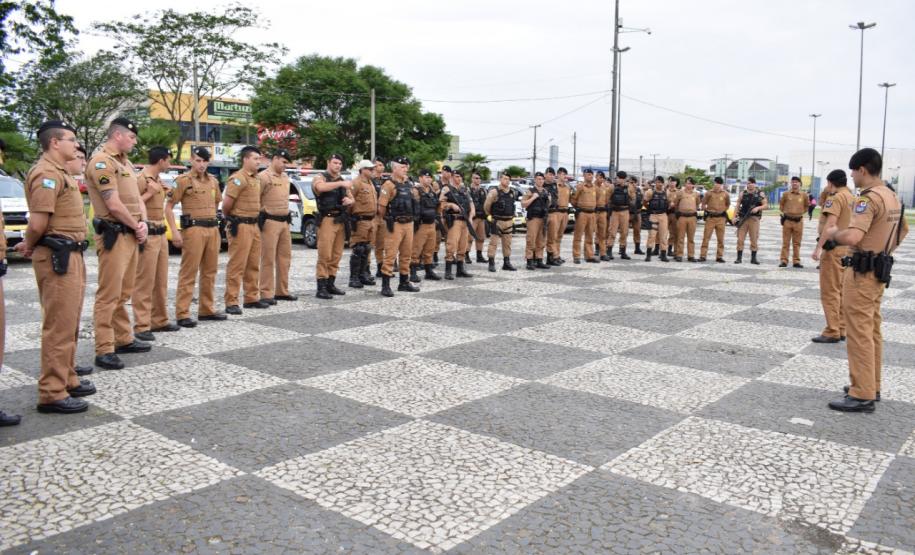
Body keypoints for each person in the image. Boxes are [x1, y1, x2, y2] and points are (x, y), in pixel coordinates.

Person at [16, 120, 95, 413]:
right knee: (58, 326)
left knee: (70, 321)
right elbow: (38, 222)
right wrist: (28, 242)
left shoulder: (61, 172)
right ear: (54, 143)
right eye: (71, 140)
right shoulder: (46, 173)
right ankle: (51, 391)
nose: (76, 145)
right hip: (56, 255)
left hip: (71, 253)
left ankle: (67, 376)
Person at [823, 148, 908, 413]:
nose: (852, 175)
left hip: (862, 273)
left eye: (853, 171)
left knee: (859, 331)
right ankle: (872, 385)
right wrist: (883, 252)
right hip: (880, 269)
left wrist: (835, 234)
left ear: (862, 170)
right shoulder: (891, 195)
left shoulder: (868, 199)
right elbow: (902, 229)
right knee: (871, 330)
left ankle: (862, 393)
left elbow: (854, 237)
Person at [84, 117, 150, 370]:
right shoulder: (102, 162)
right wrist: (136, 226)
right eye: (132, 137)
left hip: (131, 233)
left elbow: (135, 199)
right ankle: (104, 348)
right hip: (114, 234)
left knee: (124, 292)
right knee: (109, 294)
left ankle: (123, 338)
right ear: (118, 136)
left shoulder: (126, 163)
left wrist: (142, 222)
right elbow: (112, 204)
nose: (134, 142)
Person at [166, 147, 227, 327]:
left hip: (212, 229)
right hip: (193, 230)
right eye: (198, 160)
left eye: (205, 161)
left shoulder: (213, 182)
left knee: (210, 271)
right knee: (188, 272)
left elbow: (217, 204)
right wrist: (175, 232)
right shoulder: (183, 181)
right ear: (191, 160)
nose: (201, 164)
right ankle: (182, 312)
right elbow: (168, 207)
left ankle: (206, 309)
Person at [131, 146, 179, 342]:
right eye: (168, 160)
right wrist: (149, 194)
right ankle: (142, 325)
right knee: (144, 281)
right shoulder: (141, 179)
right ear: (161, 160)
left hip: (160, 233)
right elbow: (133, 205)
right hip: (148, 233)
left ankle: (159, 320)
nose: (169, 164)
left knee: (160, 280)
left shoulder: (157, 180)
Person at [811, 169, 854, 344]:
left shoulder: (836, 198)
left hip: (834, 249)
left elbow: (830, 224)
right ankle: (842, 327)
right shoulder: (852, 197)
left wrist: (818, 248)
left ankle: (832, 330)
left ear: (830, 183)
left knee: (830, 291)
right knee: (842, 290)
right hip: (848, 248)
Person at [223, 145, 265, 313]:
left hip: (254, 225)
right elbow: (227, 205)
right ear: (245, 159)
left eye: (259, 159)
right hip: (240, 225)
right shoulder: (238, 178)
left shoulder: (256, 179)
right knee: (237, 264)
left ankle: (251, 297)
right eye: (255, 159)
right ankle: (231, 301)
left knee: (253, 264)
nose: (258, 162)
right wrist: (232, 219)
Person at [258, 149, 297, 303]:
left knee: (284, 258)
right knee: (267, 258)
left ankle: (282, 290)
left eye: (287, 163)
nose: (285, 165)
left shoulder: (286, 178)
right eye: (283, 162)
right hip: (269, 221)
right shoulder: (263, 177)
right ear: (274, 159)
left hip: (284, 222)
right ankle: (266, 293)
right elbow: (256, 199)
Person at [313, 153, 354, 299]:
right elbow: (321, 188)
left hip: (340, 220)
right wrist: (341, 184)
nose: (338, 166)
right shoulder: (321, 177)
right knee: (325, 254)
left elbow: (351, 197)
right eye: (335, 163)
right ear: (328, 162)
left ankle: (331, 283)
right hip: (327, 220)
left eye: (340, 164)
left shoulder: (342, 180)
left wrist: (350, 201)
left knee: (336, 255)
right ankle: (321, 287)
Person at [378, 156, 419, 295]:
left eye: (406, 166)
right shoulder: (388, 185)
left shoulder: (409, 184)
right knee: (390, 254)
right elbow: (381, 207)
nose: (405, 169)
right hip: (395, 224)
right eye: (402, 167)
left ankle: (404, 282)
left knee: (406, 254)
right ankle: (385, 285)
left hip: (409, 223)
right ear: (394, 168)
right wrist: (389, 219)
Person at [348, 159, 379, 288]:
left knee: (366, 249)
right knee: (358, 249)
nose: (373, 171)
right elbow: (350, 201)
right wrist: (352, 217)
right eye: (370, 169)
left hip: (371, 220)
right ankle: (353, 277)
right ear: (363, 170)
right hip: (360, 220)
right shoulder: (356, 183)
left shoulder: (370, 183)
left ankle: (363, 274)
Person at [440, 170, 474, 279]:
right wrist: (450, 204)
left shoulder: (465, 189)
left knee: (463, 246)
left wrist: (471, 217)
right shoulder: (446, 189)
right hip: (454, 220)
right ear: (451, 177)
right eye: (456, 176)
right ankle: (448, 271)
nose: (458, 179)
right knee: (452, 245)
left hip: (465, 221)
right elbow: (440, 204)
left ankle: (460, 270)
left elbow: (471, 204)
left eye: (460, 177)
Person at [410, 168, 442, 281]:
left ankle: (429, 271)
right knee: (416, 249)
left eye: (430, 177)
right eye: (426, 177)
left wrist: (437, 218)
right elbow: (414, 207)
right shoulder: (416, 190)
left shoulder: (432, 191)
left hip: (432, 224)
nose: (428, 179)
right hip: (421, 224)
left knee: (430, 249)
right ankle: (412, 272)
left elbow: (437, 206)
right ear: (420, 178)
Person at [484, 171, 517, 271]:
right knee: (493, 243)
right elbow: (486, 206)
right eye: (504, 178)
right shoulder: (494, 192)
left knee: (507, 244)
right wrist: (492, 216)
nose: (506, 181)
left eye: (508, 179)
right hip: (497, 221)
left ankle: (506, 263)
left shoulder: (512, 192)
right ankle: (491, 263)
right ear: (500, 179)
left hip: (508, 221)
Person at [734, 177, 767, 264]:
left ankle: (753, 258)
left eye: (752, 183)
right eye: (748, 183)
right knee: (740, 239)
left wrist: (758, 208)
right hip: (743, 219)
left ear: (755, 184)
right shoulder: (743, 193)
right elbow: (737, 205)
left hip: (754, 219)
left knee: (754, 239)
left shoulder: (760, 193)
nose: (750, 184)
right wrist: (734, 217)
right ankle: (739, 258)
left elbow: (765, 205)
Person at [522, 172, 551, 270]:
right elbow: (523, 204)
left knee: (541, 241)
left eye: (542, 179)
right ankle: (529, 261)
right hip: (533, 219)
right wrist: (533, 198)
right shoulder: (530, 191)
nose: (540, 181)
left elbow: (548, 205)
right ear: (535, 180)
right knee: (531, 240)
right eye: (538, 179)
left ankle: (539, 260)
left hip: (543, 219)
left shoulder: (546, 191)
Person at [779, 176, 810, 268]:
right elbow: (781, 205)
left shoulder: (804, 195)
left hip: (798, 221)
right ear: (791, 183)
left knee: (797, 243)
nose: (794, 183)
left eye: (796, 182)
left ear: (800, 183)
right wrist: (787, 212)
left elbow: (806, 206)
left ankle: (796, 261)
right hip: (787, 220)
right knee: (786, 242)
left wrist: (799, 212)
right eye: (793, 182)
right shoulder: (786, 194)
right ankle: (784, 260)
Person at [699, 177, 730, 262]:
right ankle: (703, 255)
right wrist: (707, 211)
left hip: (721, 219)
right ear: (714, 183)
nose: (717, 185)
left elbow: (728, 204)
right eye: (716, 183)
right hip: (711, 218)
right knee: (706, 238)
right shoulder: (709, 193)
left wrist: (723, 210)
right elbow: (703, 203)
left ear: (721, 185)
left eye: (719, 184)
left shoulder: (725, 194)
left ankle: (719, 256)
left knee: (720, 239)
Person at [571, 168, 598, 263]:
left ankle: (589, 255)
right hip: (582, 213)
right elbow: (573, 199)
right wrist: (578, 207)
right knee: (578, 235)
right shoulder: (580, 186)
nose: (590, 176)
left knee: (590, 236)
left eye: (591, 174)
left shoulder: (595, 187)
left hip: (592, 213)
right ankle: (576, 256)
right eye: (587, 174)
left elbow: (597, 199)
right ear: (584, 176)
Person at [545, 167, 571, 265]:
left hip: (565, 212)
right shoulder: (555, 186)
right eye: (563, 174)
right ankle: (552, 255)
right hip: (556, 212)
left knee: (559, 236)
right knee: (553, 235)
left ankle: (557, 255)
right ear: (559, 175)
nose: (564, 176)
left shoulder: (567, 187)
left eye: (565, 174)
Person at [606, 170, 633, 260]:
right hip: (615, 212)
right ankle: (609, 251)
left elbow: (633, 199)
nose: (617, 180)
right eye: (617, 178)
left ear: (624, 179)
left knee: (624, 232)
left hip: (625, 211)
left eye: (619, 178)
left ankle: (623, 251)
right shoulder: (612, 187)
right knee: (612, 232)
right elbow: (607, 199)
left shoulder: (629, 187)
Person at [673, 177, 701, 262]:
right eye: (687, 183)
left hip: (692, 217)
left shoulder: (696, 194)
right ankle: (679, 255)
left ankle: (691, 255)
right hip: (682, 217)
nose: (688, 185)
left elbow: (697, 204)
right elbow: (676, 204)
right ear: (685, 184)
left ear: (693, 185)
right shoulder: (680, 193)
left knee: (691, 238)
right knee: (680, 237)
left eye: (690, 183)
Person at [643, 176, 670, 262]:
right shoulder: (650, 192)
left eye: (661, 182)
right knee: (652, 235)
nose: (659, 184)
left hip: (663, 216)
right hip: (653, 215)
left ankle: (663, 255)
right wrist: (649, 209)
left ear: (663, 183)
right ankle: (648, 255)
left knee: (663, 236)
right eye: (657, 182)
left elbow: (668, 203)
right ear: (655, 183)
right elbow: (644, 202)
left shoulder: (666, 193)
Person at [372, 157, 388, 276]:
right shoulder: (369, 180)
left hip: (383, 216)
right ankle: (365, 269)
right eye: (377, 165)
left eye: (382, 165)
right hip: (372, 216)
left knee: (381, 244)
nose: (380, 167)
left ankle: (380, 268)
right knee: (369, 244)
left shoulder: (385, 181)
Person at [469, 171, 488, 263]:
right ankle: (466, 255)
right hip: (472, 218)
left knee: (481, 237)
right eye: (476, 178)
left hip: (481, 218)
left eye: (479, 178)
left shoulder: (483, 190)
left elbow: (487, 203)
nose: (478, 180)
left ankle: (479, 256)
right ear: (472, 179)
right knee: (469, 238)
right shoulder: (468, 189)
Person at [593, 170, 610, 260]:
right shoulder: (592, 187)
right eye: (598, 177)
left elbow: (606, 200)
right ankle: (593, 251)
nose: (600, 179)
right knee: (592, 232)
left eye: (602, 178)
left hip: (603, 212)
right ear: (596, 177)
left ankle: (603, 253)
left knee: (602, 234)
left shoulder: (604, 188)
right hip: (594, 212)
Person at [664, 176, 681, 257]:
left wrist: (674, 205)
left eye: (673, 181)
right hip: (665, 214)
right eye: (670, 181)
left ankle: (671, 250)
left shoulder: (679, 192)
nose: (671, 183)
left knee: (674, 233)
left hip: (674, 214)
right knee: (663, 232)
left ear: (676, 183)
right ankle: (662, 250)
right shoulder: (664, 191)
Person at [629, 176, 645, 254]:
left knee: (637, 231)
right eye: (631, 182)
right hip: (628, 213)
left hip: (637, 213)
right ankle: (622, 249)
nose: (633, 184)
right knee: (624, 231)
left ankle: (637, 248)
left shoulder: (639, 191)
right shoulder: (626, 190)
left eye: (634, 182)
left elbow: (643, 200)